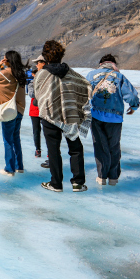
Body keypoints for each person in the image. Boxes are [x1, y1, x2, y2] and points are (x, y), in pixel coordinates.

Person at [35, 40, 90, 193]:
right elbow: (84, 86)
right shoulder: (71, 72)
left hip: (49, 116)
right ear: (61, 55)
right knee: (75, 148)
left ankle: (56, 184)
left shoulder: (41, 74)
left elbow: (36, 94)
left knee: (53, 150)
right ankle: (78, 183)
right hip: (69, 114)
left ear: (45, 56)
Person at [86, 54, 140, 186]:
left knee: (100, 145)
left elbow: (82, 92)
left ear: (101, 63)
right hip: (115, 118)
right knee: (114, 147)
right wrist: (133, 106)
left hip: (96, 115)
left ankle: (102, 177)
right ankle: (113, 178)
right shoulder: (120, 77)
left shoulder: (91, 75)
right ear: (113, 64)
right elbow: (131, 95)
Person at [0, 51, 28, 177]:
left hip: (8, 110)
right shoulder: (21, 74)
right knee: (16, 138)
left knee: (8, 140)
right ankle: (19, 166)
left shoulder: (5, 73)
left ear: (8, 60)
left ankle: (9, 168)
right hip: (19, 109)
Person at [28, 56, 46, 160]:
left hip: (45, 109)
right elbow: (31, 94)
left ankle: (49, 152)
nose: (36, 65)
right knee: (36, 131)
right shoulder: (32, 82)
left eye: (37, 62)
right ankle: (37, 149)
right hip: (35, 109)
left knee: (47, 131)